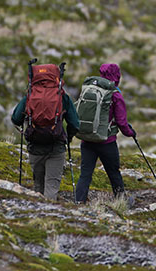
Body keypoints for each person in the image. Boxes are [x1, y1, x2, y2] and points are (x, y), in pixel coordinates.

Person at [11, 63, 79, 201]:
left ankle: (38, 217)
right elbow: (75, 124)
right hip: (56, 148)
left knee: (38, 186)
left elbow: (16, 118)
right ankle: (49, 219)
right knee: (52, 187)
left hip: (35, 147)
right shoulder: (61, 95)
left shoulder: (30, 95)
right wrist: (69, 137)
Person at [73, 62, 135, 204]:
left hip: (87, 139)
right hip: (106, 142)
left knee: (85, 174)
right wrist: (130, 133)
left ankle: (79, 202)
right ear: (117, 76)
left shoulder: (90, 89)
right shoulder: (115, 94)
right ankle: (121, 200)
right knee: (113, 173)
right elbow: (121, 121)